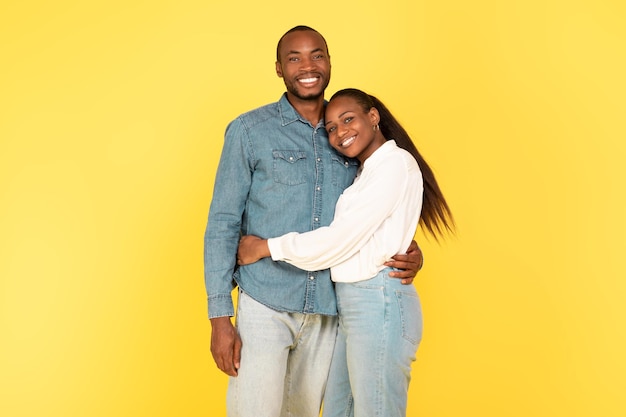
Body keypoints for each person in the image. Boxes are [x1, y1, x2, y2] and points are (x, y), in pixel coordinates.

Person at [204, 26, 423, 417]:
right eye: (294, 58)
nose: (307, 66)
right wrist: (220, 317)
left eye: (317, 55)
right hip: (265, 302)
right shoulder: (249, 131)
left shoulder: (345, 135)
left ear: (329, 63)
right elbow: (222, 223)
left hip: (328, 312)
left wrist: (406, 247)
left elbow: (372, 210)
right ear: (278, 68)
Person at [237, 88, 455, 417]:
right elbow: (366, 235)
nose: (341, 133)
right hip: (353, 305)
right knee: (340, 411)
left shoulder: (394, 164)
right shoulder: (364, 173)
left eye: (348, 119)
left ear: (373, 117)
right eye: (332, 128)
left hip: (378, 301)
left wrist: (266, 246)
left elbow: (339, 239)